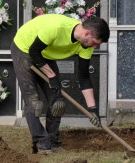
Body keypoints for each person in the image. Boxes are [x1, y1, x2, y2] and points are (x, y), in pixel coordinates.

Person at [11, 14, 109, 155]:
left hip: (44, 53)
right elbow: (34, 51)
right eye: (95, 42)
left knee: (58, 103)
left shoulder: (86, 47)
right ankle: (42, 145)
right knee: (33, 102)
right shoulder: (56, 28)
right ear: (87, 33)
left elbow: (84, 77)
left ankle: (53, 142)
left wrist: (93, 109)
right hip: (24, 48)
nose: (95, 46)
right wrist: (51, 76)